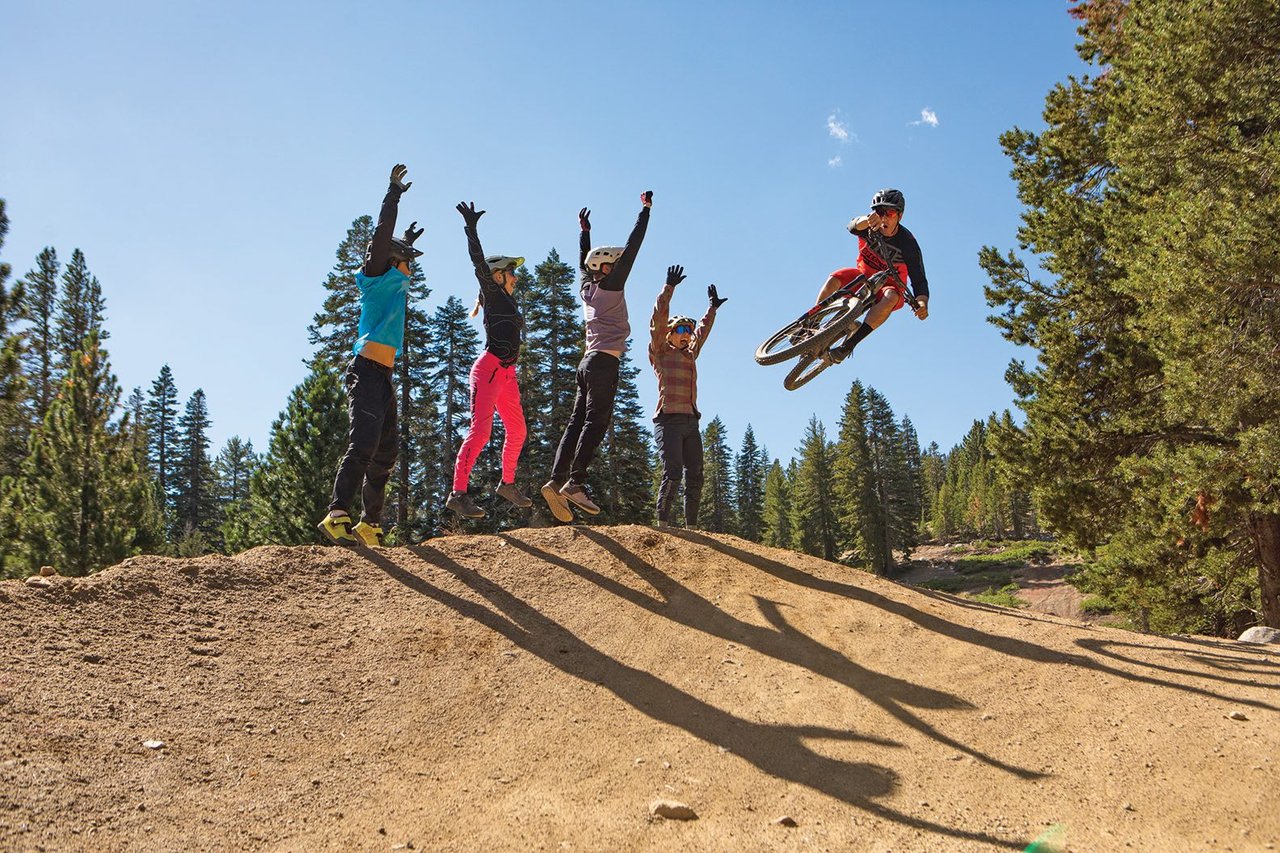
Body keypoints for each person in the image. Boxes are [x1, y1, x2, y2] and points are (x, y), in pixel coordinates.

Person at [318, 164, 423, 547]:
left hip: (383, 375)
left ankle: (369, 524)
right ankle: (336, 513)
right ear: (390, 259)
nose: (412, 268)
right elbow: (380, 234)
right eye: (407, 259)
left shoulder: (394, 281)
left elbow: (393, 246)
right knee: (362, 444)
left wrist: (406, 239)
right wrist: (393, 193)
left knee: (386, 452)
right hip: (364, 370)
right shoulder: (376, 274)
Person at [541, 191, 653, 521]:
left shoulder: (588, 289)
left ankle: (556, 479)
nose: (619, 266)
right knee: (595, 421)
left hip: (586, 363)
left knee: (577, 422)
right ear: (604, 268)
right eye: (613, 264)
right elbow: (633, 249)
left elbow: (582, 265)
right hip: (604, 362)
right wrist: (644, 212)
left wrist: (584, 233)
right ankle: (575, 483)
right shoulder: (611, 287)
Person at [446, 201, 532, 519]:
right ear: (496, 276)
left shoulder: (506, 299)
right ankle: (458, 494)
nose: (516, 277)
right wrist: (471, 228)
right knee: (480, 432)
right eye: (511, 272)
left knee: (518, 431)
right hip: (489, 370)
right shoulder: (494, 295)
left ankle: (507, 484)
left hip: (507, 375)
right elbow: (476, 262)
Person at [648, 263, 727, 528]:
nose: (686, 335)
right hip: (668, 421)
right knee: (672, 474)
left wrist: (712, 309)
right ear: (670, 335)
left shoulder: (691, 354)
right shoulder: (660, 352)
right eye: (680, 330)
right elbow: (658, 320)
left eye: (688, 331)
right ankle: (663, 523)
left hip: (691, 423)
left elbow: (702, 332)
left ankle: (691, 527)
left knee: (696, 474)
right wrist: (668, 288)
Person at [813, 188, 929, 363]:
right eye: (879, 212)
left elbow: (919, 279)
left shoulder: (908, 244)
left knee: (890, 296)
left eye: (889, 212)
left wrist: (922, 303)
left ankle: (849, 345)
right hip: (863, 276)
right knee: (834, 278)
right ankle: (811, 324)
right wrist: (865, 221)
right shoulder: (868, 226)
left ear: (900, 216)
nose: (883, 218)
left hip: (889, 287)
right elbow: (852, 226)